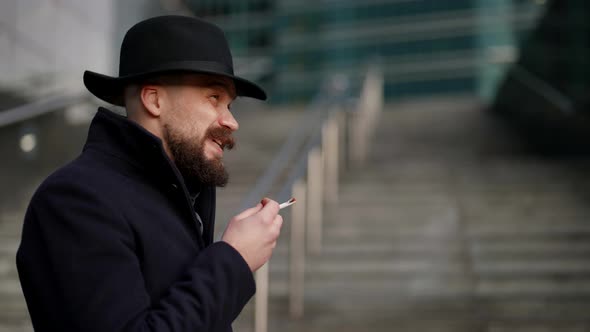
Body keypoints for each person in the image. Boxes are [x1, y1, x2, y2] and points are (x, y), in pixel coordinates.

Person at [16, 15, 283, 332]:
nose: (231, 122)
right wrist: (234, 259)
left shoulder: (180, 197)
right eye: (214, 98)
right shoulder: (74, 200)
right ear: (154, 99)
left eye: (230, 105)